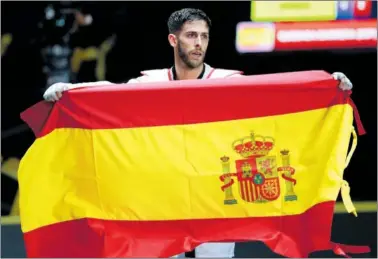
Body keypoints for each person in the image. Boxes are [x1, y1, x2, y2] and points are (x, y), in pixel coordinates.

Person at [41, 8, 353, 258]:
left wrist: (325, 84)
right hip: (164, 200)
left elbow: (279, 91)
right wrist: (70, 90)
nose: (199, 43)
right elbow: (111, 93)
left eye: (203, 36)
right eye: (191, 35)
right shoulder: (151, 83)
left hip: (214, 197)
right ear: (173, 40)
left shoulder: (227, 81)